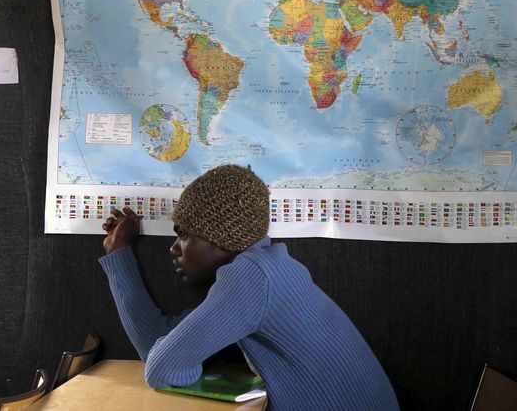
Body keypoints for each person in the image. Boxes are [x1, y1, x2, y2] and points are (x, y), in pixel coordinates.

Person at [99, 164, 399, 411]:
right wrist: (118, 253)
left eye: (184, 235)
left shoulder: (251, 276)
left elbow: (161, 368)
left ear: (218, 237)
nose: (173, 249)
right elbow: (156, 347)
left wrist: (186, 362)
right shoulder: (267, 271)